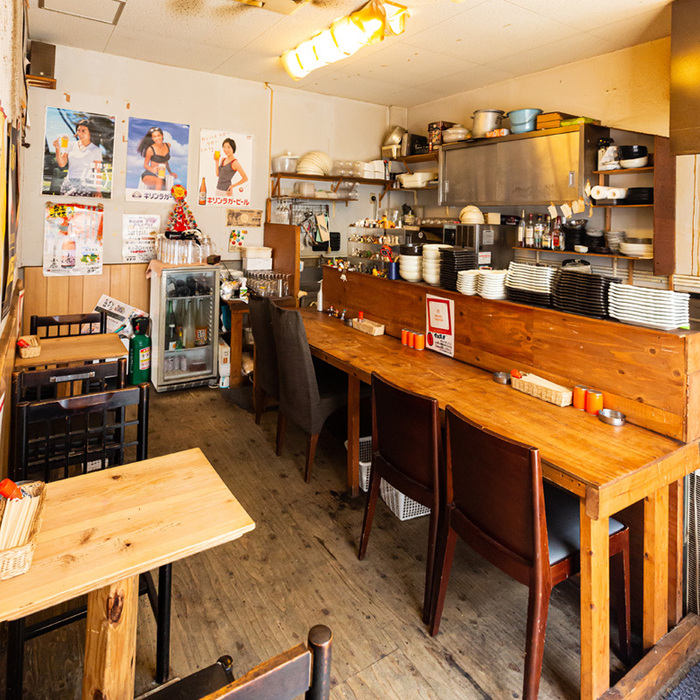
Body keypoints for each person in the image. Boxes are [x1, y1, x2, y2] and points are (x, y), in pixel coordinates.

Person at [53, 120, 103, 197]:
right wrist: (57, 149)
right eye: (78, 130)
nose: (80, 133)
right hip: (69, 183)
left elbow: (97, 171)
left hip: (85, 185)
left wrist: (98, 191)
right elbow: (61, 164)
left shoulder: (95, 150)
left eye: (83, 131)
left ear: (90, 133)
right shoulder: (70, 145)